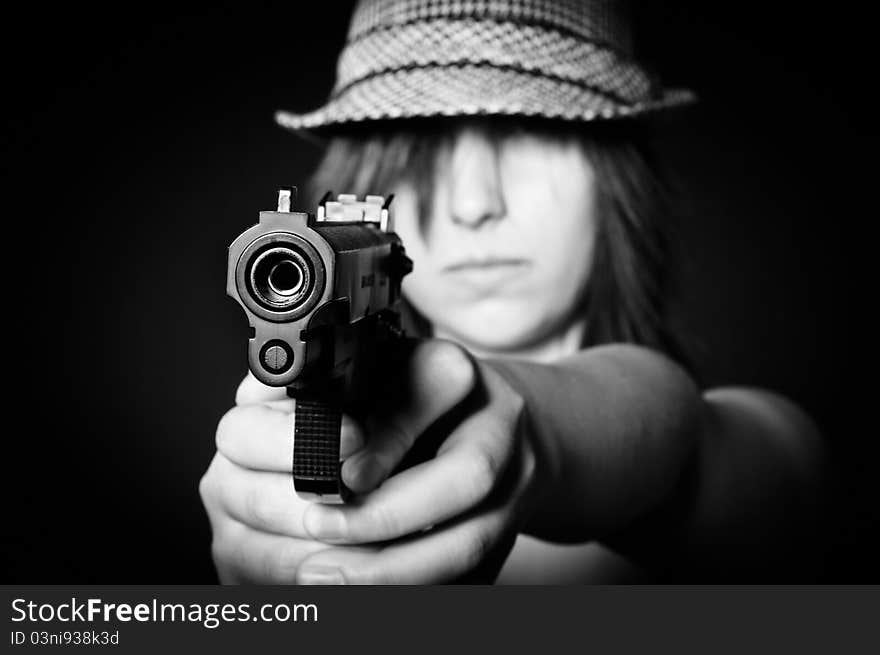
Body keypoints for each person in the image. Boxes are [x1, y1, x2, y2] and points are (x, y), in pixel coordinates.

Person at [199, 0, 825, 583]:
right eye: (422, 149)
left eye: (529, 130)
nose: (476, 203)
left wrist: (532, 432)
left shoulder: (765, 452)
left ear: (618, 179)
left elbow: (670, 434)